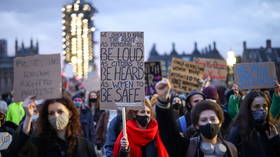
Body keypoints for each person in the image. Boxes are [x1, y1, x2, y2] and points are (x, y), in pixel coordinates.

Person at [155, 79, 237, 157]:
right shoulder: (187, 147)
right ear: (196, 125)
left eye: (212, 119)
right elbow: (169, 133)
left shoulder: (231, 149)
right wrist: (163, 100)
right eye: (204, 120)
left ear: (220, 123)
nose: (209, 122)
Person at [12, 96, 96, 157]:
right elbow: (19, 150)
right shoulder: (39, 145)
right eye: (51, 113)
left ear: (69, 114)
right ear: (47, 117)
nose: (56, 116)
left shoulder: (85, 146)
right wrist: (28, 116)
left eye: (60, 111)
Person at [227, 91, 280, 157]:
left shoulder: (272, 129)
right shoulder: (238, 130)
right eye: (257, 106)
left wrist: (276, 140)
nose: (261, 109)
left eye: (264, 106)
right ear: (248, 109)